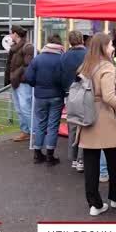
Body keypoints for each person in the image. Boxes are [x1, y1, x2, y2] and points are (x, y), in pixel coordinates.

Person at [77, 33, 116, 216]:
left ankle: (94, 203)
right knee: (115, 160)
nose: (113, 47)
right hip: (104, 118)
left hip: (86, 117)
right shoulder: (107, 67)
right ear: (104, 47)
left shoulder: (85, 66)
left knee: (91, 163)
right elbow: (109, 96)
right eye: (111, 44)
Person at [25, 35, 65, 166]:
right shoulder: (61, 58)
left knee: (40, 124)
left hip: (40, 95)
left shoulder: (38, 58)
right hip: (56, 95)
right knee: (53, 126)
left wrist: (37, 86)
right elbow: (63, 79)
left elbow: (29, 77)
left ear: (48, 43)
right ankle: (49, 155)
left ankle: (37, 153)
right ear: (59, 44)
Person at [61, 31, 88, 172]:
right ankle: (81, 160)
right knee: (84, 127)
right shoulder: (88, 55)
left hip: (69, 94)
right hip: (84, 93)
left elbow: (60, 74)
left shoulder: (64, 56)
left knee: (72, 127)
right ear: (82, 40)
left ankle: (73, 158)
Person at [5, 25, 34, 142]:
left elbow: (29, 66)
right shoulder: (14, 48)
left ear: (15, 34)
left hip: (23, 83)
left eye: (11, 33)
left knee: (25, 108)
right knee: (19, 109)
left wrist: (16, 74)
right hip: (15, 82)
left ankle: (35, 132)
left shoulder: (28, 47)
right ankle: (25, 131)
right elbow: (10, 66)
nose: (10, 36)